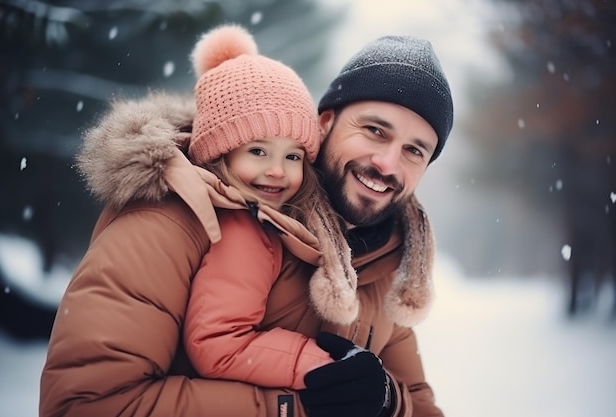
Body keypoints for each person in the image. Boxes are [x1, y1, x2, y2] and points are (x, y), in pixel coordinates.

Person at [39, 25, 453, 417]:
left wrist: (384, 400)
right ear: (324, 123)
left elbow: (420, 406)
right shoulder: (174, 218)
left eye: (414, 151)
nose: (387, 163)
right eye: (376, 131)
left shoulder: (382, 264)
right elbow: (84, 404)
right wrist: (292, 408)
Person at [180, 24, 360, 390]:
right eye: (258, 151)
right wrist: (317, 364)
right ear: (218, 153)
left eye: (292, 155)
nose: (277, 171)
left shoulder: (264, 220)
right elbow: (218, 346)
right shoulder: (240, 230)